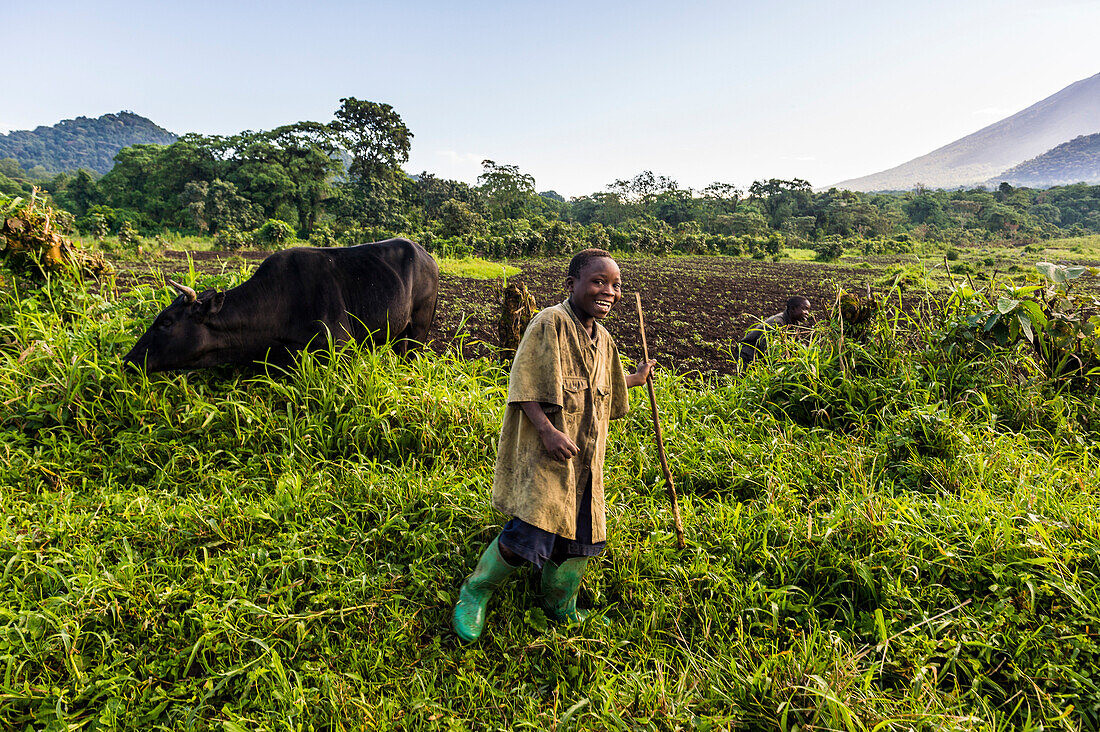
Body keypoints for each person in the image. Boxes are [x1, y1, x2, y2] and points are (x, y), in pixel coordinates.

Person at [452, 248, 656, 642]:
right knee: (529, 531)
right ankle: (475, 591)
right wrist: (547, 431)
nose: (609, 292)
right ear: (572, 284)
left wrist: (637, 377)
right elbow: (524, 385)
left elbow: (608, 386)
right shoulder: (550, 323)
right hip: (547, 454)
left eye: (615, 285)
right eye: (598, 282)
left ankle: (560, 605)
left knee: (581, 537)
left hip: (585, 458)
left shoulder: (604, 338)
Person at [738, 296, 811, 366]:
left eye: (808, 310)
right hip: (749, 354)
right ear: (792, 309)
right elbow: (767, 347)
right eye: (804, 309)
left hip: (761, 355)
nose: (807, 313)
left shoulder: (794, 323)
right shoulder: (776, 323)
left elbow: (797, 343)